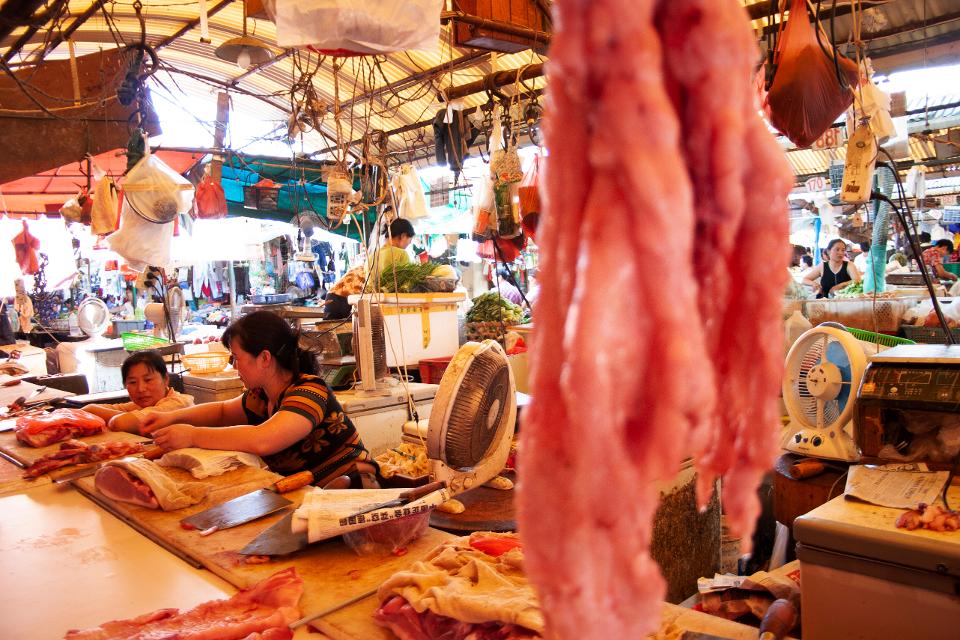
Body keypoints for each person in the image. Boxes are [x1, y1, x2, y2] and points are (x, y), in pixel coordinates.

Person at [142, 311, 377, 488]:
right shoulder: (262, 395)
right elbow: (222, 412)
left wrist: (192, 435)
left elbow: (263, 439)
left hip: (355, 487)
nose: (233, 366)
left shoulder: (309, 391)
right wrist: (168, 418)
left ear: (264, 358)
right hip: (310, 491)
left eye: (237, 358)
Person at [84, 350, 194, 434]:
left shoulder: (178, 403)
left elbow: (119, 423)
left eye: (148, 380)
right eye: (132, 382)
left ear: (165, 379)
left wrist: (89, 409)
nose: (141, 389)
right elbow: (94, 411)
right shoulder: (141, 405)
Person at [369, 218, 415, 284]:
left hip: (372, 294)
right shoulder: (401, 254)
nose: (409, 243)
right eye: (410, 240)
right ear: (403, 236)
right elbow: (407, 283)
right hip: (394, 294)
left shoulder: (371, 257)